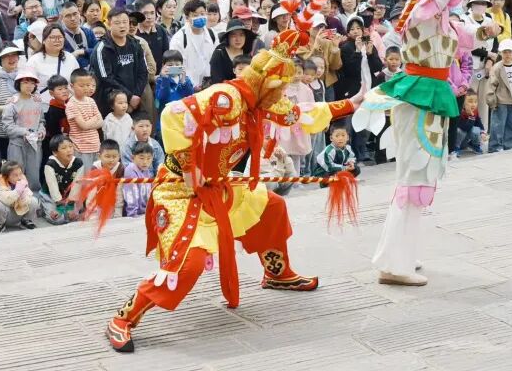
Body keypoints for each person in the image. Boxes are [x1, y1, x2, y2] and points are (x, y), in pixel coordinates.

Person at [97, 27, 362, 353]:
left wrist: (350, 104)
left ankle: (276, 272)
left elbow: (300, 114)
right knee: (189, 265)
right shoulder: (225, 98)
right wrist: (190, 167)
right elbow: (171, 114)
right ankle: (123, 318)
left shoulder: (265, 100)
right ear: (266, 82)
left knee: (272, 207)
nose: (282, 96)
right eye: (280, 88)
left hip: (220, 184)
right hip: (181, 190)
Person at [353, 0, 497, 287]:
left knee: (420, 178)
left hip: (430, 97)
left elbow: (467, 35)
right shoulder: (419, 10)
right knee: (413, 178)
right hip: (419, 96)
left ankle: (402, 254)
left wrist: (486, 31)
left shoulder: (440, 18)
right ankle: (394, 263)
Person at [487, 39, 512, 151]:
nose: (507, 54)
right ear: (500, 53)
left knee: (511, 123)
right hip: (500, 99)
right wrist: (491, 101)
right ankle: (494, 146)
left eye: (509, 52)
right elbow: (491, 85)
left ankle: (508, 143)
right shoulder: (497, 68)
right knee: (497, 123)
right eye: (504, 52)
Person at [39, 134, 84, 225]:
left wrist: (70, 205)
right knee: (58, 219)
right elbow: (53, 187)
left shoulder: (78, 163)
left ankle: (66, 208)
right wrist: (59, 207)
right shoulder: (50, 165)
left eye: (70, 146)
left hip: (69, 196)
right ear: (55, 152)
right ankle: (44, 208)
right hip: (51, 196)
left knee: (73, 217)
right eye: (64, 148)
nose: (69, 150)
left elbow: (77, 184)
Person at [66, 69, 103, 168]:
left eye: (88, 85)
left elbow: (101, 122)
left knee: (97, 175)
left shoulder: (91, 101)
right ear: (72, 86)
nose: (86, 88)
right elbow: (83, 126)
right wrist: (94, 118)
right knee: (84, 176)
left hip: (96, 146)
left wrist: (89, 122)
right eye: (82, 86)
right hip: (81, 148)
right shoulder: (71, 104)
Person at [0, 161, 38, 231]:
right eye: (15, 175)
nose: (19, 177)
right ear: (7, 176)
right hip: (8, 215)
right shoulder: (2, 183)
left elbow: (29, 196)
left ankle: (26, 221)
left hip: (20, 214)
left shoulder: (23, 180)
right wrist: (17, 192)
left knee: (33, 201)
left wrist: (23, 195)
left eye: (20, 174)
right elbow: (4, 200)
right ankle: (0, 224)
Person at [451, 91, 484, 157]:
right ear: (463, 102)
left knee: (477, 130)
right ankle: (456, 148)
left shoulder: (475, 111)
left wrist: (483, 132)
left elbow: (479, 123)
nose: (473, 104)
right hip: (459, 140)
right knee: (459, 131)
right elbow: (465, 128)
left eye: (475, 102)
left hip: (466, 140)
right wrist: (471, 116)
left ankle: (474, 145)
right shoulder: (460, 112)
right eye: (470, 101)